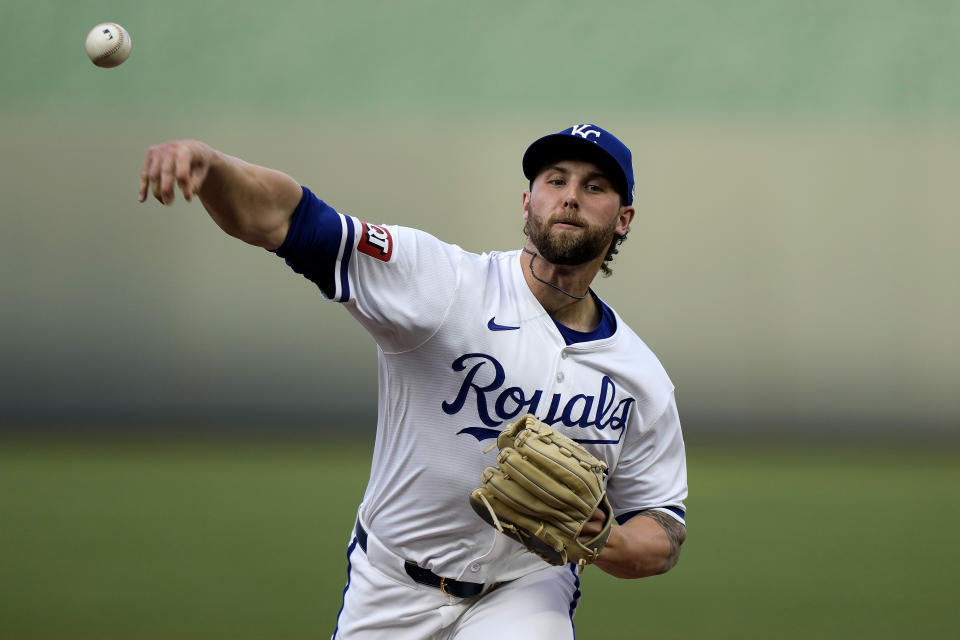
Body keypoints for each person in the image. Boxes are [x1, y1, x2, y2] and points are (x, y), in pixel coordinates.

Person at [138, 123, 688, 639]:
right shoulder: (444, 283)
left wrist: (602, 539)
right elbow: (287, 219)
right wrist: (210, 165)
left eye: (594, 186)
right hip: (392, 581)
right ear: (527, 202)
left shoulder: (640, 378)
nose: (571, 196)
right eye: (555, 180)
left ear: (623, 218)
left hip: (528, 589)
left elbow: (663, 531)